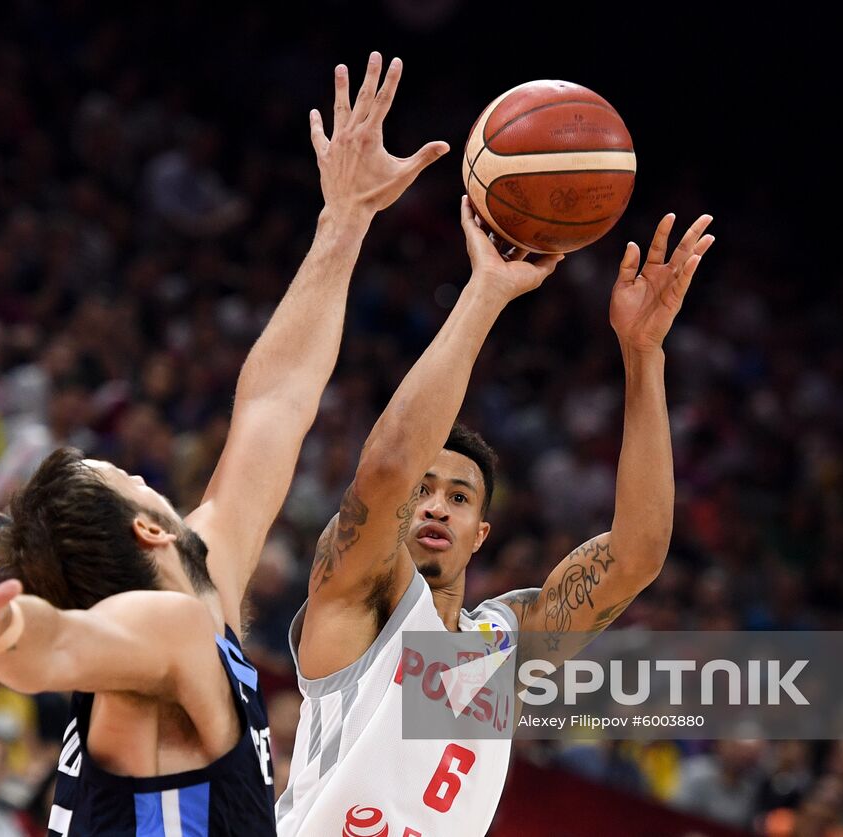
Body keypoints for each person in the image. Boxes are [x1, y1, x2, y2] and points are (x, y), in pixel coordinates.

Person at [0, 52, 449, 836]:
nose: (147, 476)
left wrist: (347, 217)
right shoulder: (165, 627)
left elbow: (274, 403)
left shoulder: (207, 590)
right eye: (127, 474)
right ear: (150, 527)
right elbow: (55, 647)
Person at [277, 207, 714, 836]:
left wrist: (643, 354)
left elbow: (637, 556)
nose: (434, 505)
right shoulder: (358, 599)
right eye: (423, 491)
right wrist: (486, 290)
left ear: (481, 532)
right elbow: (388, 467)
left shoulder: (505, 642)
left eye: (459, 498)